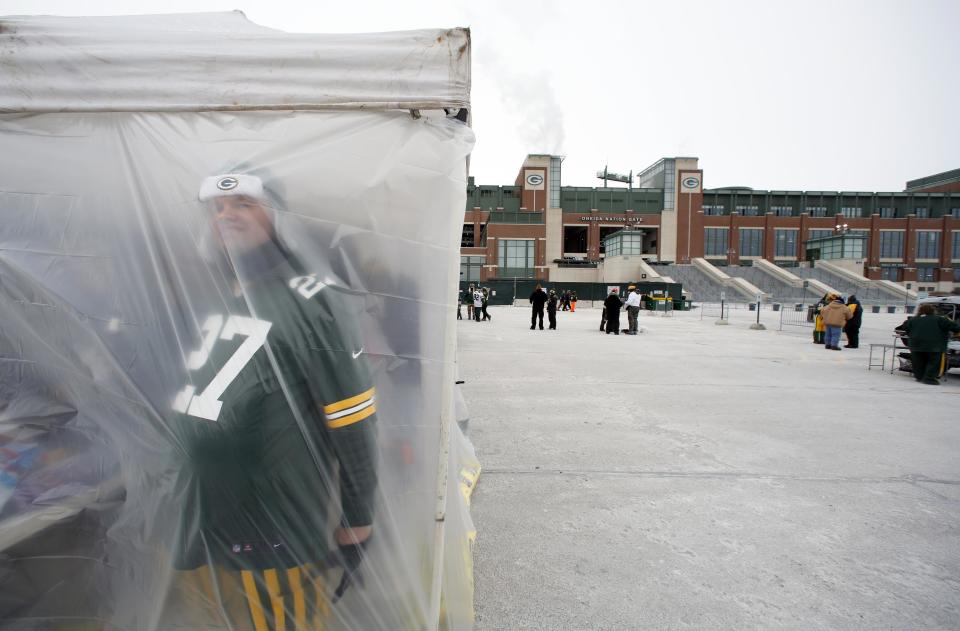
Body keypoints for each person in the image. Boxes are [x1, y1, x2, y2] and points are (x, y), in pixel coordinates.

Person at [168, 170, 378, 630]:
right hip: (202, 522)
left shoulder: (312, 298)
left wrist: (357, 519)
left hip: (273, 527)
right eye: (218, 208)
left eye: (243, 203)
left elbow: (353, 419)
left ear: (279, 218)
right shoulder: (214, 294)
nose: (226, 215)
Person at [901, 303, 960, 384]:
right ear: (933, 311)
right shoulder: (940, 319)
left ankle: (919, 377)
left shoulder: (912, 320)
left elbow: (904, 328)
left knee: (918, 362)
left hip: (916, 345)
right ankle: (929, 378)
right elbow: (956, 327)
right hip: (935, 346)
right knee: (933, 362)